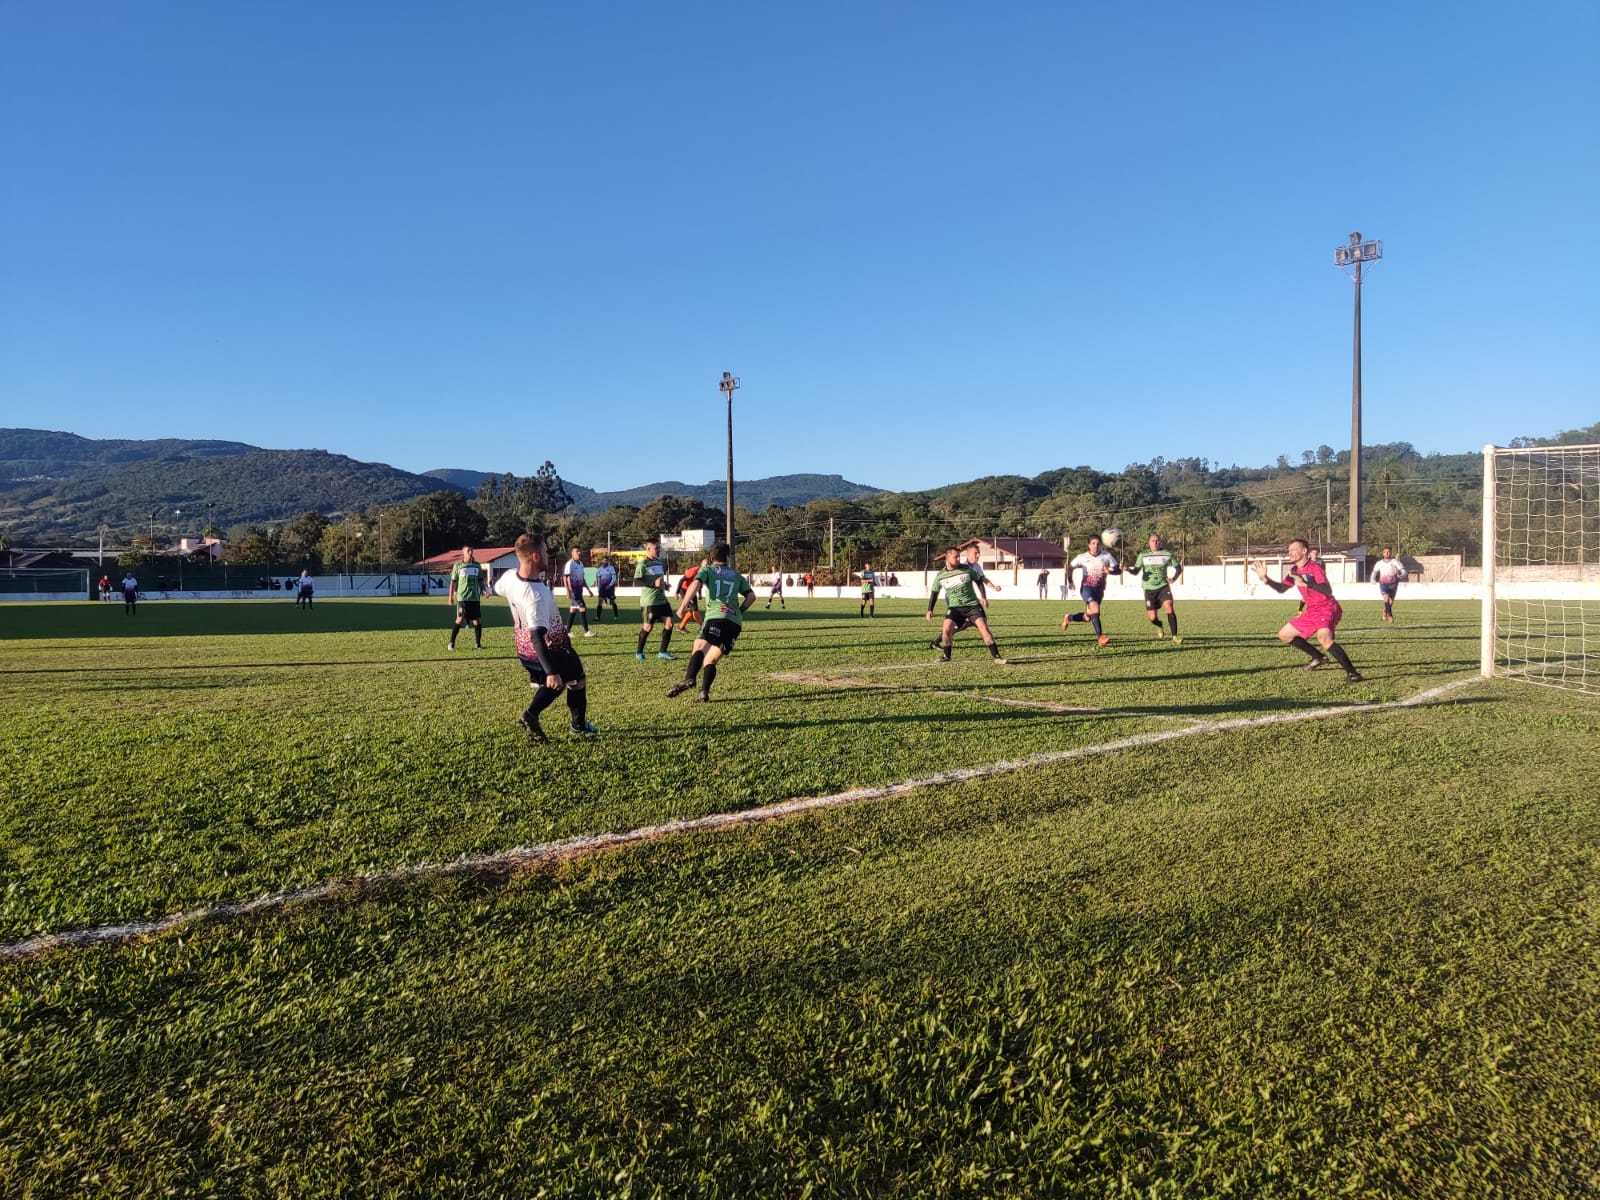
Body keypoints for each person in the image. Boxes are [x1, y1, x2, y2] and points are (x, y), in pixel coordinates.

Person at [500, 532, 597, 741]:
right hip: (549, 649)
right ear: (535, 556)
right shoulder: (536, 595)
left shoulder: (509, 577)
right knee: (576, 679)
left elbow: (498, 589)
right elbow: (537, 636)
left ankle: (536, 715)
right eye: (544, 551)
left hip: (524, 650)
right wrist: (551, 671)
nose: (547, 555)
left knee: (563, 682)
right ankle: (575, 727)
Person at [1254, 538, 1364, 683]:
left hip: (1327, 608)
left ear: (1304, 551)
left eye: (1293, 550)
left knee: (1324, 638)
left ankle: (1353, 674)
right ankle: (1318, 657)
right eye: (1289, 550)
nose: (1290, 553)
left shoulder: (1314, 568)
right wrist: (1265, 578)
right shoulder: (1294, 571)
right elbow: (1281, 589)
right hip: (1312, 611)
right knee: (1284, 635)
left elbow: (1327, 589)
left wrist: (1307, 584)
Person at [667, 542, 755, 702]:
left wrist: (682, 606)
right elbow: (751, 596)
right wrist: (739, 612)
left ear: (711, 557)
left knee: (700, 646)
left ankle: (689, 678)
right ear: (727, 557)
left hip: (716, 616)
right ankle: (703, 692)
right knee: (711, 659)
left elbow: (695, 584)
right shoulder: (736, 575)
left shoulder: (708, 570)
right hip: (734, 623)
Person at [926, 546, 1006, 663]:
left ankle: (997, 657)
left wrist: (983, 596)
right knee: (946, 630)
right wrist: (930, 610)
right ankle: (946, 656)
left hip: (972, 606)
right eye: (956, 557)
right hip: (955, 607)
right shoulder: (940, 575)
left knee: (984, 629)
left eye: (959, 556)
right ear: (947, 558)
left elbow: (979, 580)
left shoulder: (966, 569)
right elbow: (934, 592)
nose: (959, 559)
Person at [1062, 534, 1120, 645]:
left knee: (1088, 616)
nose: (1095, 546)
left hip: (1099, 590)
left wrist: (1110, 571)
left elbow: (1118, 570)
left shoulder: (1106, 556)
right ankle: (1100, 637)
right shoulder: (1082, 557)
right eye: (1093, 543)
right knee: (1095, 608)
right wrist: (1070, 581)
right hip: (1086, 588)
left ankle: (1069, 617)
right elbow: (1070, 568)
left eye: (1098, 544)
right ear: (1089, 545)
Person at [1130, 533, 1182, 644]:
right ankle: (1159, 625)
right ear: (1149, 543)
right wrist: (1127, 569)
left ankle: (1175, 637)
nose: (1155, 543)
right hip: (1149, 589)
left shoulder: (1167, 554)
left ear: (1161, 542)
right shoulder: (1143, 555)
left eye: (1157, 541)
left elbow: (1178, 568)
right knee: (1153, 618)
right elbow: (1135, 571)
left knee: (1169, 607)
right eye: (1153, 541)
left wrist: (1173, 578)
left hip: (1163, 586)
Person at [634, 539, 677, 661]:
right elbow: (637, 581)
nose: (659, 550)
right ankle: (639, 652)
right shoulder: (643, 564)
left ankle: (663, 651)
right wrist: (653, 583)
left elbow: (659, 580)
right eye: (656, 548)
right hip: (650, 601)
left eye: (659, 548)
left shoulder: (659, 562)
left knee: (669, 623)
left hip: (661, 600)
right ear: (648, 549)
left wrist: (665, 585)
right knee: (648, 627)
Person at [447, 545, 490, 650]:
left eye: (472, 550)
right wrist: (450, 597)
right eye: (468, 550)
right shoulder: (458, 566)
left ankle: (478, 644)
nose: (470, 552)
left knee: (476, 620)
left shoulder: (477, 566)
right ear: (464, 552)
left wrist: (484, 591)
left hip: (474, 597)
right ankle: (451, 643)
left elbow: (480, 580)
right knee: (460, 618)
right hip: (462, 597)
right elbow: (453, 582)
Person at [563, 546, 594, 637]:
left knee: (573, 610)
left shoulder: (581, 564)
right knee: (582, 608)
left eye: (580, 551)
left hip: (579, 591)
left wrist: (588, 590)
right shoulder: (570, 564)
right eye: (577, 551)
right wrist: (567, 591)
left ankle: (567, 631)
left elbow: (582, 578)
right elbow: (565, 577)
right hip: (573, 591)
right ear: (572, 553)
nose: (579, 553)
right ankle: (586, 631)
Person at [1371, 546, 1407, 624]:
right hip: (1383, 583)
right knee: (1386, 599)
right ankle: (1390, 616)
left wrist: (1401, 575)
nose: (1387, 553)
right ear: (1383, 553)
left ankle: (1385, 610)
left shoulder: (1395, 562)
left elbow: (1403, 571)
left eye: (1388, 552)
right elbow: (1374, 572)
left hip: (1393, 583)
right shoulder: (1379, 563)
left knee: (1390, 602)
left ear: (1391, 553)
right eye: (1385, 552)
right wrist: (1372, 579)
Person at [962, 545, 1001, 609]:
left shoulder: (977, 566)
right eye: (975, 553)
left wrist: (993, 587)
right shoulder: (962, 566)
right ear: (968, 554)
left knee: (980, 618)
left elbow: (982, 579)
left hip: (967, 598)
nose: (978, 555)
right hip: (956, 598)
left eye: (979, 553)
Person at [675, 558, 707, 633]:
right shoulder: (694, 571)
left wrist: (700, 594)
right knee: (694, 610)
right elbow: (681, 580)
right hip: (685, 590)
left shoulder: (704, 573)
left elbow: (699, 584)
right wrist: (676, 592)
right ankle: (703, 628)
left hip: (692, 591)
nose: (706, 566)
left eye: (708, 565)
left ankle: (681, 627)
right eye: (705, 565)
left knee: (692, 610)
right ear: (701, 565)